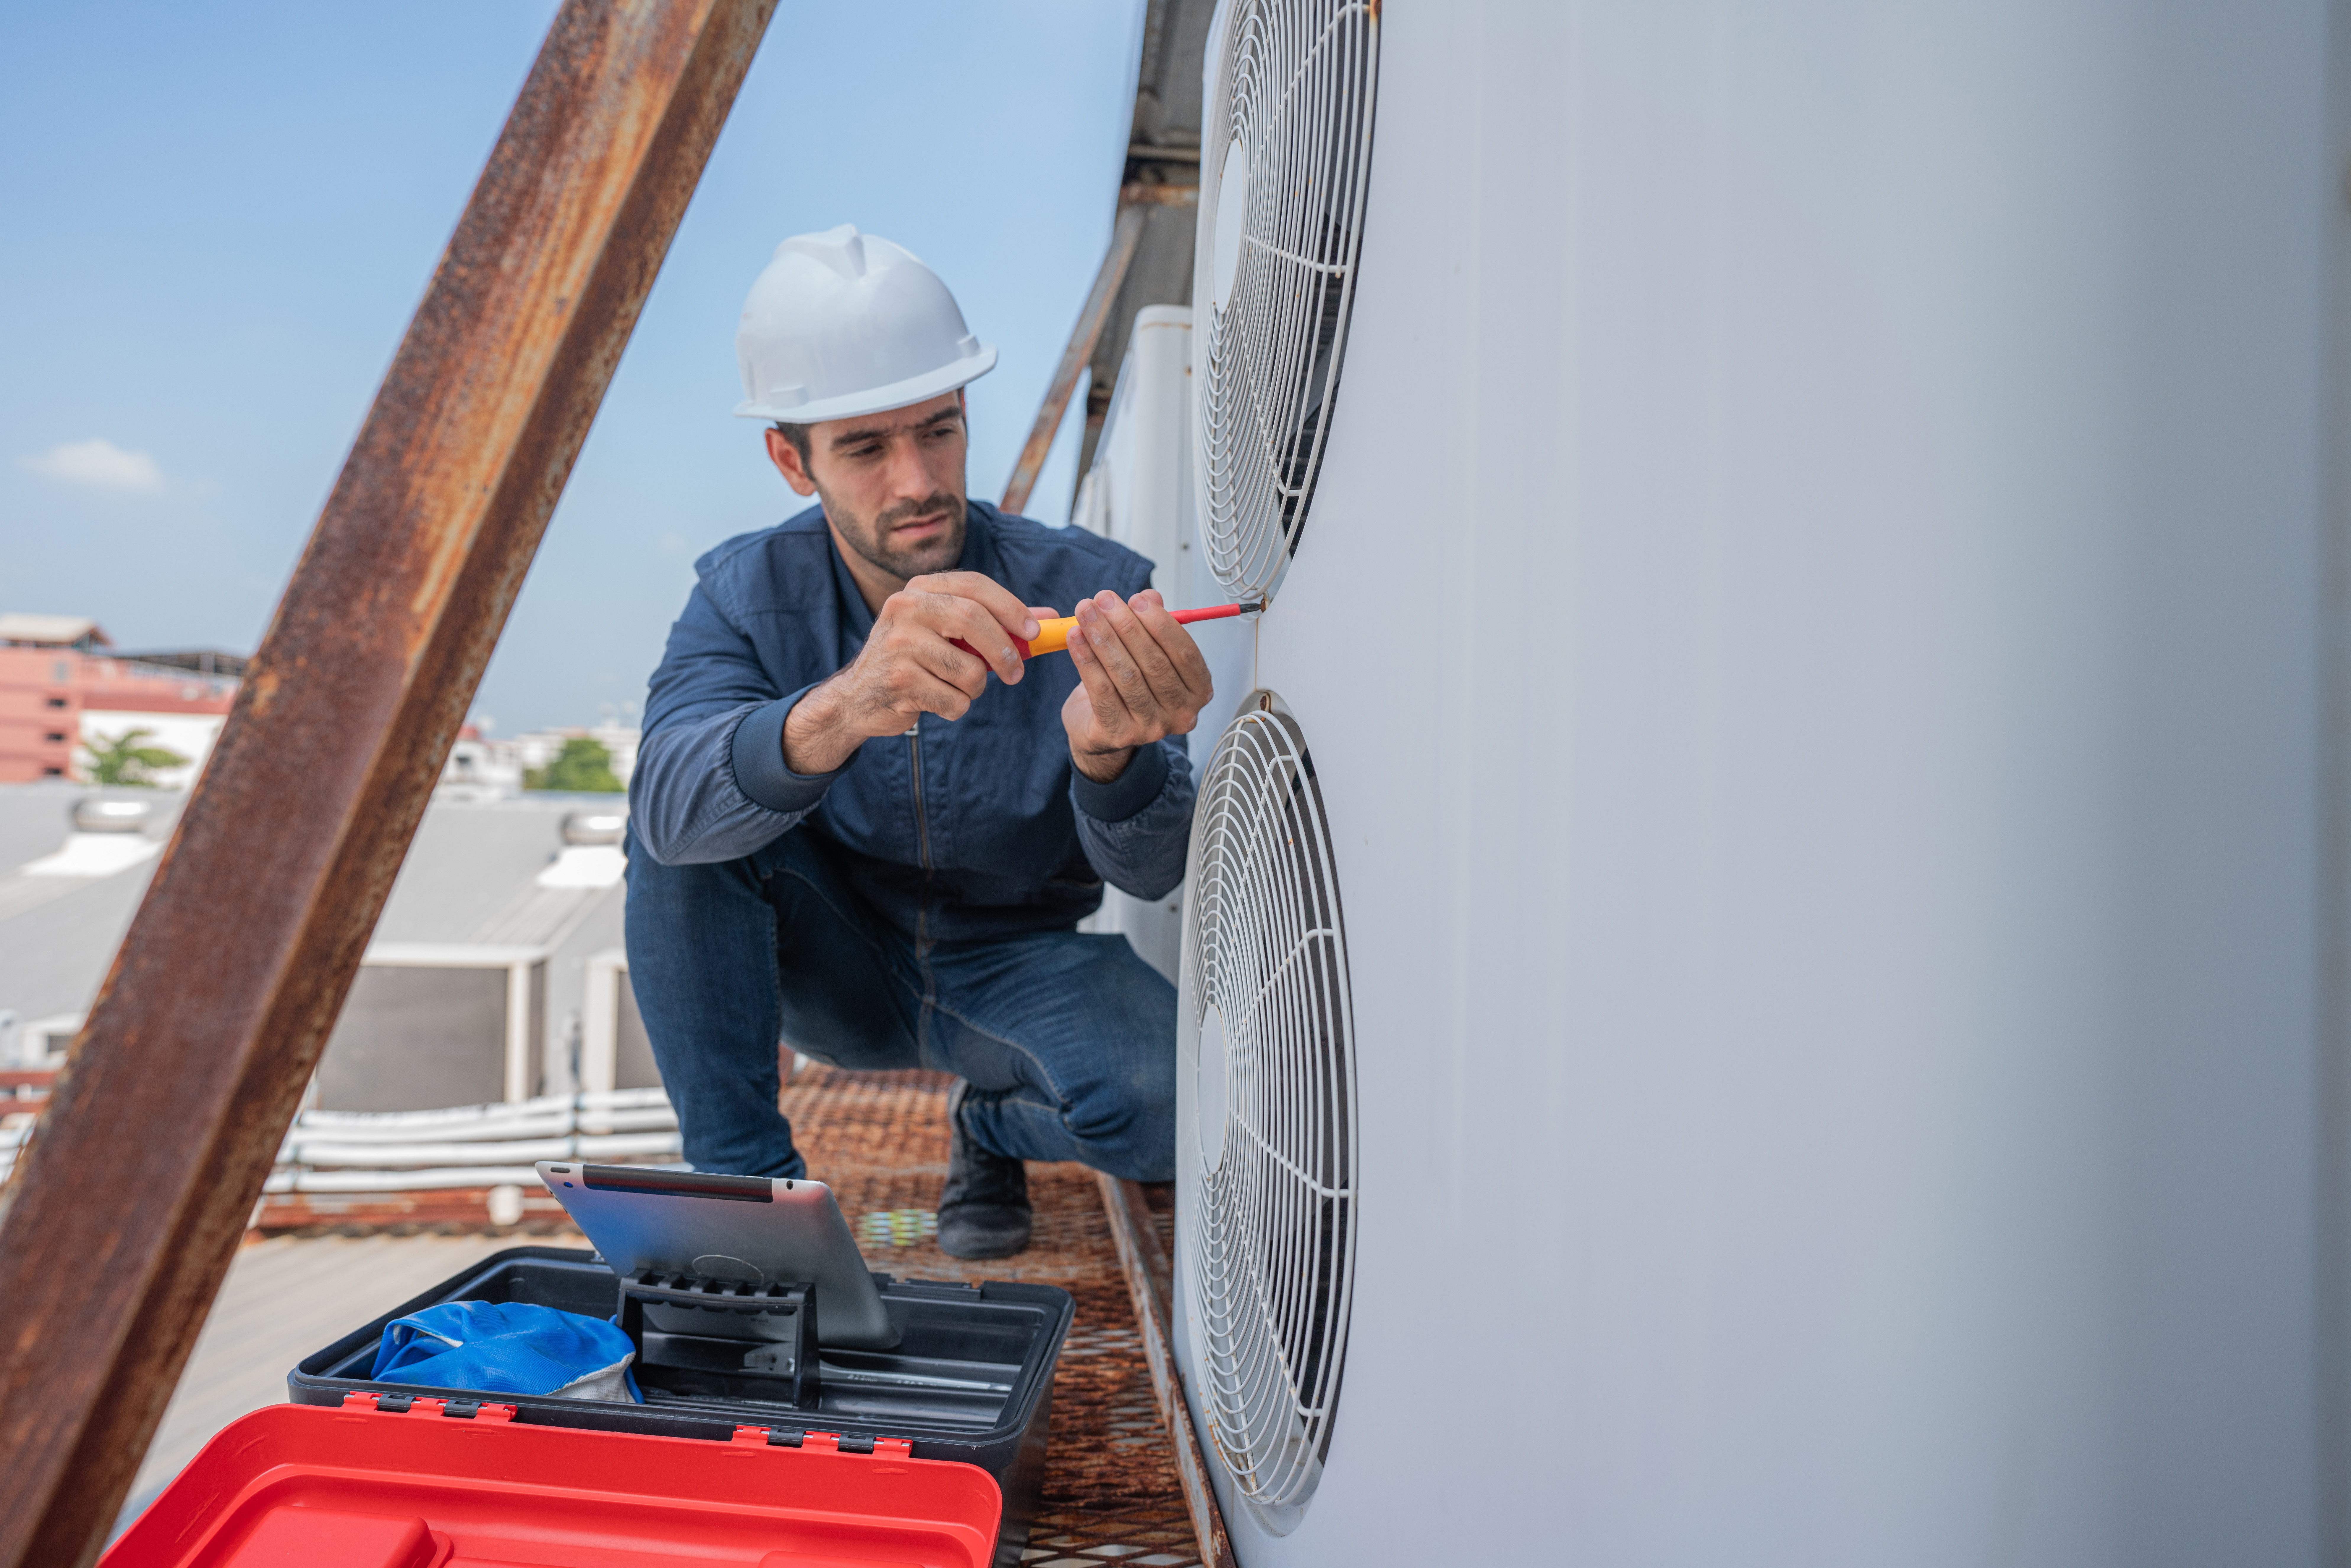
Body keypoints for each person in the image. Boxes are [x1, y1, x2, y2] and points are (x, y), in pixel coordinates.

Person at [623, 226, 1209, 1258]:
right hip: (837, 966)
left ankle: (988, 1126)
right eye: (864, 447)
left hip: (1017, 967)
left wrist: (1113, 763)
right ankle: (749, 1214)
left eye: (937, 430)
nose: (916, 481)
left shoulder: (1090, 585)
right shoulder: (742, 597)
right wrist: (842, 708)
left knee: (1175, 1112)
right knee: (679, 834)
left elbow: (1156, 872)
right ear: (789, 458)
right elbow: (668, 803)